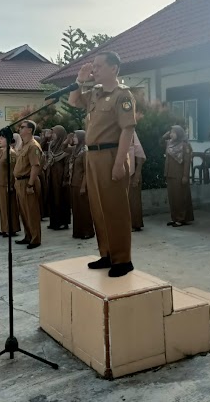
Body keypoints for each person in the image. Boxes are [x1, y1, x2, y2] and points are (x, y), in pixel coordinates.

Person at [69, 51, 137, 277]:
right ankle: (107, 253)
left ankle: (122, 260)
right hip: (93, 157)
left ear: (114, 69)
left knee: (115, 209)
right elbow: (73, 100)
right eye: (93, 67)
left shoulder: (122, 95)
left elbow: (128, 130)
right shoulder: (95, 93)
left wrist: (120, 162)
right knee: (98, 208)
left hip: (111, 155)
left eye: (98, 66)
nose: (94, 69)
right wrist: (79, 80)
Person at [14, 120, 43, 249]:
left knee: (31, 212)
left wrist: (30, 185)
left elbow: (35, 166)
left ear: (30, 130)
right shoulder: (24, 145)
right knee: (24, 212)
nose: (20, 129)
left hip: (27, 181)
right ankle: (28, 236)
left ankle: (35, 239)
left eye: (22, 127)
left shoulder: (33, 146)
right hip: (19, 181)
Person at [162, 125, 194, 227]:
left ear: (179, 134)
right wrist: (165, 136)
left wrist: (185, 176)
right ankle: (174, 217)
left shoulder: (185, 145)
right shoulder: (169, 143)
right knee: (173, 198)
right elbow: (160, 143)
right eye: (171, 132)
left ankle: (181, 218)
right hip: (170, 173)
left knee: (180, 197)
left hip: (179, 175)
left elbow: (187, 162)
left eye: (173, 132)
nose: (171, 134)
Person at [67, 130, 95, 239]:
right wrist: (68, 138)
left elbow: (87, 171)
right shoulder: (75, 150)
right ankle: (78, 231)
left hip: (81, 184)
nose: (73, 138)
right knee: (76, 210)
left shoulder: (85, 151)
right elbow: (64, 148)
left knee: (84, 209)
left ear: (81, 138)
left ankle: (88, 231)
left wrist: (83, 186)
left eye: (75, 136)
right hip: (74, 183)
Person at [0, 132, 21, 238]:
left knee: (10, 207)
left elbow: (12, 170)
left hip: (7, 184)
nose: (0, 140)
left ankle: (12, 228)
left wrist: (11, 184)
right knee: (3, 208)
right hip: (0, 183)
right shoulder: (1, 151)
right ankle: (4, 228)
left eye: (2, 139)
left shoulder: (11, 153)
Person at [44, 125, 71, 231]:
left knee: (61, 200)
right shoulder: (51, 145)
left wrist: (65, 178)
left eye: (54, 133)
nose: (53, 135)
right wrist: (46, 137)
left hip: (60, 178)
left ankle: (63, 222)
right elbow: (42, 147)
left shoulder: (65, 147)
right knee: (52, 199)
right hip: (51, 176)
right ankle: (54, 222)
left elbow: (67, 164)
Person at [128, 129, 146, 232]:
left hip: (134, 176)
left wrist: (136, 178)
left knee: (134, 201)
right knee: (127, 201)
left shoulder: (136, 148)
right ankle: (129, 223)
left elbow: (139, 164)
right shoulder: (124, 148)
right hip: (125, 177)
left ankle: (136, 224)